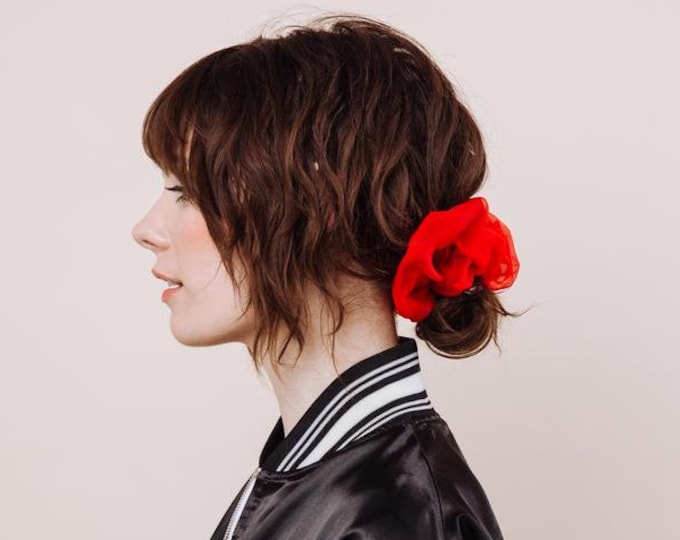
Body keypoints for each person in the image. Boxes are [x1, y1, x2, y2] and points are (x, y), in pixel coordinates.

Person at [132, 13, 522, 540]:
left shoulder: (395, 511)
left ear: (319, 206)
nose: (146, 229)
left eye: (186, 192)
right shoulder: (335, 474)